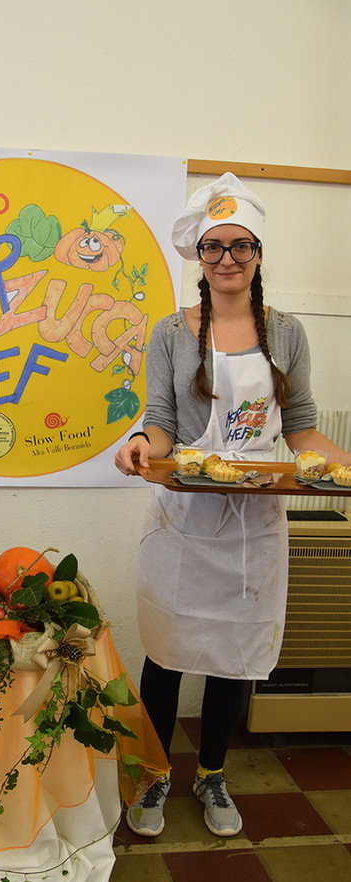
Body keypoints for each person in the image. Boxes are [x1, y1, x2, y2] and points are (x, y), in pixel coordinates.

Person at [115, 172, 350, 838]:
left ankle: (211, 773)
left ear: (255, 254)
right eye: (214, 247)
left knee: (233, 652)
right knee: (167, 650)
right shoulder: (170, 331)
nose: (226, 259)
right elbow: (161, 419)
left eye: (240, 246)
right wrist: (141, 443)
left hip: (253, 520)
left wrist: (342, 464)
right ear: (197, 256)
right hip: (185, 519)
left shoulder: (286, 332)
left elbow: (300, 424)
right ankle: (156, 773)